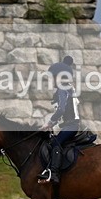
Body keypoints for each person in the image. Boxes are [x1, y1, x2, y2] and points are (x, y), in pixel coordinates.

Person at [38, 56, 80, 184]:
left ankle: (54, 173)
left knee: (56, 143)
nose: (51, 80)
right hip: (69, 124)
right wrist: (50, 125)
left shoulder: (62, 89)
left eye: (53, 77)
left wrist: (50, 122)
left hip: (71, 125)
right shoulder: (68, 88)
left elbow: (61, 110)